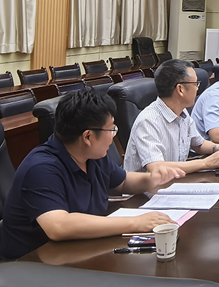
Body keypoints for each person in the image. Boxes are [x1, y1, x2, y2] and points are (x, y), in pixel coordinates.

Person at [0, 89, 184, 260]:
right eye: (111, 129)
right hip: (29, 263)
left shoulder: (92, 155)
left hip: (77, 252)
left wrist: (152, 179)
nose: (113, 135)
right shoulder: (41, 169)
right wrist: (136, 223)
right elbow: (59, 226)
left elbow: (122, 182)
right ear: (87, 137)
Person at [124, 59, 219, 173]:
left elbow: (198, 143)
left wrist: (218, 148)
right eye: (195, 84)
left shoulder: (182, 112)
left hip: (175, 180)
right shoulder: (148, 121)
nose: (197, 88)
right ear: (180, 89)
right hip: (150, 186)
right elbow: (157, 168)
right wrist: (205, 163)